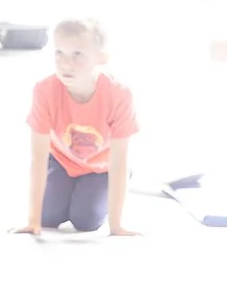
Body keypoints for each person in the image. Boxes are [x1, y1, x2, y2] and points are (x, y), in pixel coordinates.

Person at [20, 18, 140, 236]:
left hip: (102, 167)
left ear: (101, 58)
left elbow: (119, 161)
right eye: (59, 53)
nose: (66, 63)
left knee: (85, 220)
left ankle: (88, 194)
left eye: (78, 55)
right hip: (62, 161)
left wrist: (116, 226)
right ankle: (66, 192)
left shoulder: (119, 94)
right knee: (49, 217)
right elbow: (37, 157)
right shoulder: (44, 90)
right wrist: (33, 221)